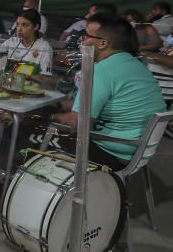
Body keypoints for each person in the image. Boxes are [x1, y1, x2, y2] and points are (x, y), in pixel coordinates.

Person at [49, 13, 166, 171]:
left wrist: (42, 117)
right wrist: (55, 104)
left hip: (110, 151)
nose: (82, 40)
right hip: (135, 148)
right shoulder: (132, 64)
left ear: (103, 43)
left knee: (26, 134)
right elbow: (94, 107)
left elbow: (78, 122)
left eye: (86, 35)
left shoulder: (100, 71)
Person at [0, 9, 53, 75]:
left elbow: (45, 75)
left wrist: (22, 73)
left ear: (36, 27)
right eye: (17, 25)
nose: (19, 29)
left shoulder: (44, 47)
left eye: (25, 25)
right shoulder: (12, 41)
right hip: (8, 83)